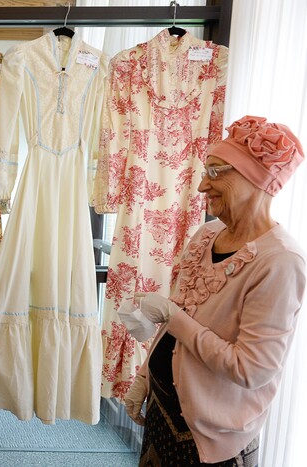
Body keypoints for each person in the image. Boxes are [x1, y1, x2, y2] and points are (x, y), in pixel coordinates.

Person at [122, 116, 306, 466]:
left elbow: (250, 369)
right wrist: (145, 376)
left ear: (257, 180)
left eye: (216, 172)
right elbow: (175, 319)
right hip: (163, 408)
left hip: (209, 437)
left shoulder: (280, 261)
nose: (203, 186)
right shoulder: (206, 236)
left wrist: (174, 318)